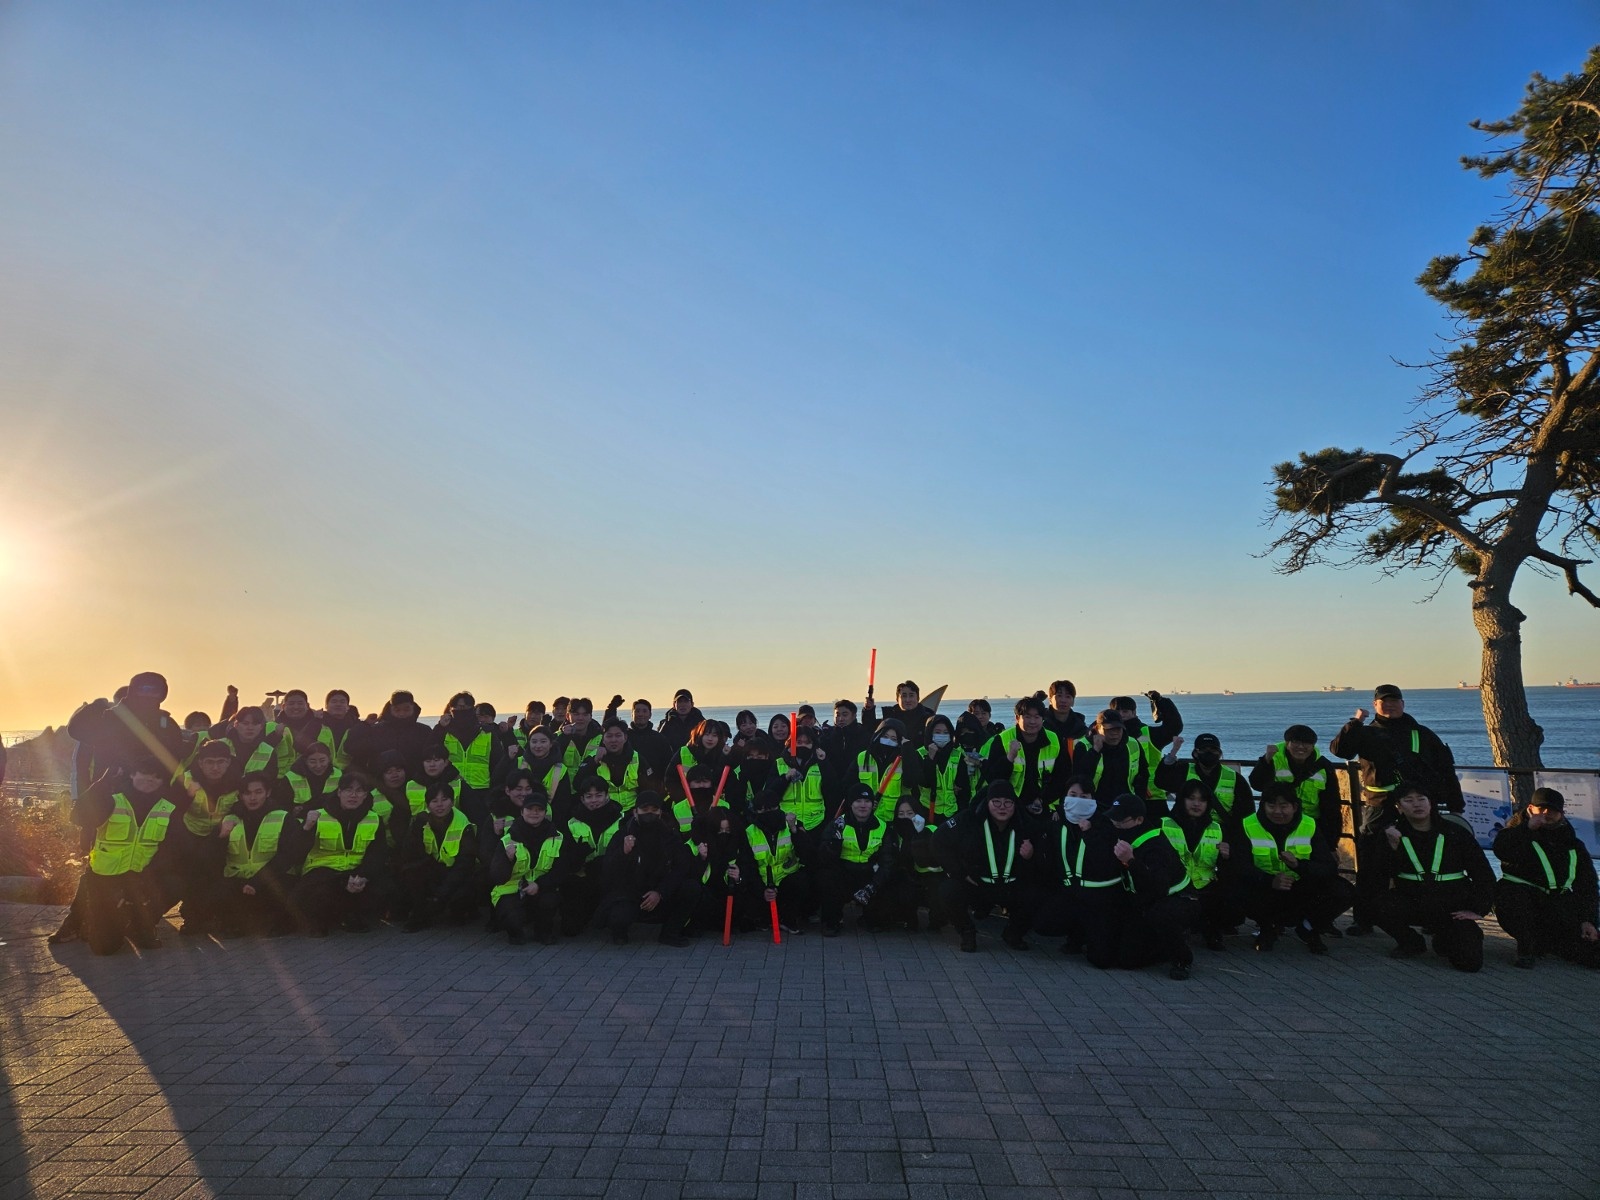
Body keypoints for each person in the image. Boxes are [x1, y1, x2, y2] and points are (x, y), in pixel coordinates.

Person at [1331, 684, 1465, 934]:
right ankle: (1365, 920)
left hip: (1418, 806)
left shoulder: (1421, 733)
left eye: (1394, 701)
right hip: (1380, 806)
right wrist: (1355, 722)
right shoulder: (1365, 732)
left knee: (1427, 862)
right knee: (1371, 865)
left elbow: (1446, 768)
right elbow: (1340, 750)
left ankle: (1431, 917)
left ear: (1403, 704)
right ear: (1375, 705)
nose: (1389, 705)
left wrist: (1456, 806)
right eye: (1384, 701)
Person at [1368, 782, 1496, 972]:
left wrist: (1478, 909)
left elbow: (1483, 874)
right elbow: (1376, 876)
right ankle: (1410, 942)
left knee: (1470, 963)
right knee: (1376, 904)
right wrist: (1392, 850)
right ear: (1399, 806)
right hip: (1412, 900)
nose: (1416, 805)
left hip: (1453, 905)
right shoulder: (1391, 834)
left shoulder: (1455, 833)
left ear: (1431, 803)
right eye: (1408, 800)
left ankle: (1444, 938)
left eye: (1421, 799)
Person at [72, 757, 192, 955]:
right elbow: (78, 816)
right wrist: (102, 783)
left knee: (175, 882)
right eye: (145, 774)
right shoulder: (112, 799)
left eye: (157, 777)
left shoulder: (167, 807)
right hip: (105, 878)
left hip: (142, 876)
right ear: (132, 774)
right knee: (105, 948)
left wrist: (148, 876)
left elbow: (174, 847)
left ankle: (141, 925)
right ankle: (102, 923)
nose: (150, 780)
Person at [1236, 784, 1355, 955]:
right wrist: (1270, 880)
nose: (1277, 811)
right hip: (1264, 887)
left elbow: (1328, 867)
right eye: (1271, 805)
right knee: (1234, 889)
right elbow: (1239, 866)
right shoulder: (1248, 825)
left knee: (1343, 891)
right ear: (1263, 806)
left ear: (1294, 807)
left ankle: (1308, 927)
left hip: (1300, 886)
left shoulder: (1309, 825)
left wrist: (1299, 866)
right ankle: (1267, 928)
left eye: (1283, 806)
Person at [1492, 787, 1600, 969]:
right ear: (1530, 809)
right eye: (1541, 809)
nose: (1546, 814)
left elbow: (1587, 885)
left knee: (1588, 950)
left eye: (1552, 811)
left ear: (1562, 814)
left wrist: (1589, 920)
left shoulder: (1573, 844)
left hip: (1558, 904)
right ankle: (1527, 947)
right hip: (1522, 901)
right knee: (1513, 896)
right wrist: (1527, 829)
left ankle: (1553, 944)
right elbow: (1502, 850)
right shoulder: (1515, 832)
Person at [1034, 778, 1133, 964]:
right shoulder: (1057, 821)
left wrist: (1090, 833)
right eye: (1073, 795)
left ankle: (1093, 935)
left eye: (1084, 796)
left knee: (1101, 960)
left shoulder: (1106, 823)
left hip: (1102, 898)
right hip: (1073, 893)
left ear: (1092, 799)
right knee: (1043, 922)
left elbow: (1104, 861)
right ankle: (1077, 935)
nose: (1078, 800)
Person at [934, 782, 1041, 954]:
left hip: (1010, 887)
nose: (1002, 807)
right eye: (996, 802)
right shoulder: (969, 818)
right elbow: (939, 840)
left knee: (1036, 894)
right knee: (948, 890)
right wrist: (959, 872)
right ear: (987, 802)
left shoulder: (1025, 822)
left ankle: (1013, 933)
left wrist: (1031, 855)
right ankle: (967, 932)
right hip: (977, 885)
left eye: (1008, 802)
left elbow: (1046, 853)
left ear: (1015, 804)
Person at [1102, 793, 1197, 980]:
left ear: (1139, 820)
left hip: (1178, 900)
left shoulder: (1155, 846)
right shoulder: (1123, 833)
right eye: (1113, 818)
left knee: (1160, 915)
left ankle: (1181, 958)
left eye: (1121, 820)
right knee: (1125, 959)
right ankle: (1157, 941)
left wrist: (1130, 861)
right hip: (1142, 901)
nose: (1116, 824)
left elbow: (1158, 888)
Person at [289, 773, 388, 936]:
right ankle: (320, 921)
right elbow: (294, 851)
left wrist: (363, 875)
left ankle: (351, 916)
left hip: (357, 871)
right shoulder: (318, 816)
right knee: (316, 894)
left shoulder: (374, 819)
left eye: (359, 791)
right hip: (323, 871)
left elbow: (378, 854)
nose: (353, 795)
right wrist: (306, 827)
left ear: (365, 795)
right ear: (339, 792)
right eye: (348, 790)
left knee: (384, 889)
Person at [600, 790, 701, 946]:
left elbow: (681, 867)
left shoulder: (670, 835)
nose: (649, 814)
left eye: (654, 810)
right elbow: (609, 869)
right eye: (645, 810)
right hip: (630, 893)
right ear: (635, 812)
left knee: (691, 888)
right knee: (618, 917)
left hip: (660, 891)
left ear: (660, 812)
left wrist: (660, 892)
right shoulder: (623, 834)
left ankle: (670, 933)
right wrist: (624, 853)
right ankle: (619, 933)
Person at [208, 771, 299, 937]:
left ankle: (279, 921)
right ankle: (233, 922)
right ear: (241, 795)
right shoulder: (229, 819)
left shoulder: (283, 818)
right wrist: (220, 837)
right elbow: (212, 857)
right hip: (238, 880)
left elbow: (288, 856)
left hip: (271, 880)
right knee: (215, 889)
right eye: (247, 793)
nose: (253, 798)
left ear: (268, 793)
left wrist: (257, 881)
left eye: (258, 792)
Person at [816, 784, 902, 937]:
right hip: (843, 872)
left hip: (869, 874)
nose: (863, 805)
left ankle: (870, 918)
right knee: (826, 878)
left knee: (891, 881)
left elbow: (888, 862)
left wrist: (873, 886)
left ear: (872, 804)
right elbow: (824, 858)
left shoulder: (883, 827)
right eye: (858, 801)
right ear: (850, 803)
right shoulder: (837, 824)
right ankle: (832, 921)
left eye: (867, 801)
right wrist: (833, 844)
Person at [1160, 780, 1233, 952]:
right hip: (1175, 885)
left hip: (1205, 884)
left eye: (1202, 800)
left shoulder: (1216, 828)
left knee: (1229, 896)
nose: (1196, 804)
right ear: (1181, 800)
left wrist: (1227, 856)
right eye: (1191, 798)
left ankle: (1212, 932)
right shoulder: (1163, 824)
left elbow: (1225, 866)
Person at [396, 782, 479, 932]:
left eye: (444, 800)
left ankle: (462, 911)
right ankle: (420, 916)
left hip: (456, 873)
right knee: (411, 873)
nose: (440, 805)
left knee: (462, 896)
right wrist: (416, 829)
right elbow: (409, 855)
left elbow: (465, 864)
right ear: (427, 805)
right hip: (433, 869)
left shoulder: (463, 824)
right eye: (434, 801)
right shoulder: (420, 822)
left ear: (452, 802)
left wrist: (441, 894)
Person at [485, 793, 567, 945]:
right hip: (511, 891)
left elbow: (561, 871)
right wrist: (508, 860)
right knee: (512, 919)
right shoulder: (507, 839)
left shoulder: (558, 837)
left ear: (545, 813)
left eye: (539, 809)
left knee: (550, 901)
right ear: (522, 811)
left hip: (541, 888)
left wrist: (539, 885)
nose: (534, 813)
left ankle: (543, 932)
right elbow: (496, 876)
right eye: (530, 809)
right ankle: (515, 933)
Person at [1247, 726, 1342, 849]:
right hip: (1276, 822)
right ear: (1287, 744)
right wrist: (1265, 761)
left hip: (1310, 824)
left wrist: (1331, 844)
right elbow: (1257, 785)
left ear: (1313, 746)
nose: (1301, 747)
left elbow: (1332, 805)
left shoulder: (1323, 766)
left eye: (1307, 743)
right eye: (1296, 742)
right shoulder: (1274, 759)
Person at [739, 781, 813, 934]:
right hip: (761, 883)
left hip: (787, 879)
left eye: (772, 808)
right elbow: (748, 867)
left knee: (804, 880)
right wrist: (762, 890)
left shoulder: (791, 825)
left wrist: (795, 830)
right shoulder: (749, 832)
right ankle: (763, 918)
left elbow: (808, 854)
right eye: (763, 809)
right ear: (756, 811)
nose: (769, 812)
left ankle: (788, 919)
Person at [562, 774, 627, 934]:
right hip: (583, 879)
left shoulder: (622, 821)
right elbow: (566, 860)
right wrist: (578, 855)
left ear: (607, 796)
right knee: (570, 929)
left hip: (613, 879)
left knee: (617, 922)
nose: (594, 800)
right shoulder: (571, 823)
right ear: (582, 799)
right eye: (589, 796)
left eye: (599, 795)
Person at [979, 697, 1067, 816]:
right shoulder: (1002, 739)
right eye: (1027, 716)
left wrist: (1042, 800)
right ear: (1017, 718)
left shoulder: (1054, 739)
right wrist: (1009, 758)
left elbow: (1063, 777)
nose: (1032, 721)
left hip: (1044, 805)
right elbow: (993, 779)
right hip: (1010, 807)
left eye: (1037, 717)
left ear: (1043, 719)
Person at [1157, 733, 1255, 831]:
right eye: (1203, 749)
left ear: (1220, 754)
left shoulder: (1235, 778)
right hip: (1186, 828)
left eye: (1214, 750)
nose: (1209, 753)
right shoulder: (1184, 770)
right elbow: (1161, 781)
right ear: (1195, 753)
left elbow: (1247, 811)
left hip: (1221, 832)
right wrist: (1174, 751)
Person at [1075, 710, 1151, 804]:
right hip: (1094, 805)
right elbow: (1080, 778)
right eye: (1109, 729)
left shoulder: (1132, 743)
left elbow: (1143, 774)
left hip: (1125, 803)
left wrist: (1139, 801)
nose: (1115, 733)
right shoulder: (1083, 746)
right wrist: (1095, 751)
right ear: (1098, 728)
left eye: (1118, 729)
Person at [856, 718, 920, 823]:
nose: (888, 741)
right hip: (868, 816)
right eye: (885, 737)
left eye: (894, 739)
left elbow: (911, 782)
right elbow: (851, 785)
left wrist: (908, 750)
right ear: (878, 736)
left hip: (895, 819)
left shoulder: (904, 759)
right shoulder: (863, 757)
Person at [916, 714, 976, 824]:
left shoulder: (957, 754)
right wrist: (930, 758)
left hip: (952, 811)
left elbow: (964, 788)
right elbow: (925, 782)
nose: (942, 735)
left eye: (945, 732)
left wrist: (961, 812)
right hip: (927, 810)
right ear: (930, 733)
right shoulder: (920, 753)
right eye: (937, 732)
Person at [361, 690, 435, 777]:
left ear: (413, 708)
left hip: (416, 779)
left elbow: (431, 755)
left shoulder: (424, 730)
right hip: (383, 779)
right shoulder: (377, 730)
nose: (402, 713)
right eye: (397, 710)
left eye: (406, 709)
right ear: (390, 709)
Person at [583, 719, 648, 813]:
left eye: (618, 735)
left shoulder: (637, 757)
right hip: (603, 811)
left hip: (632, 812)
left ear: (625, 737)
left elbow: (648, 789)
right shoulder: (594, 757)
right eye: (609, 736)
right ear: (603, 739)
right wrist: (595, 762)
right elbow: (578, 783)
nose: (614, 740)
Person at [779, 724, 835, 832]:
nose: (803, 745)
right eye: (799, 742)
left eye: (807, 743)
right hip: (787, 823)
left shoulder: (820, 762)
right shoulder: (780, 763)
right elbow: (772, 792)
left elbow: (832, 789)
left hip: (816, 823)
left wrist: (824, 762)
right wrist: (785, 778)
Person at [865, 680, 934, 743]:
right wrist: (868, 710)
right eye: (904, 696)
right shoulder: (889, 718)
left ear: (918, 698)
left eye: (911, 695)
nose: (907, 700)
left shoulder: (928, 719)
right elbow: (869, 729)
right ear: (897, 699)